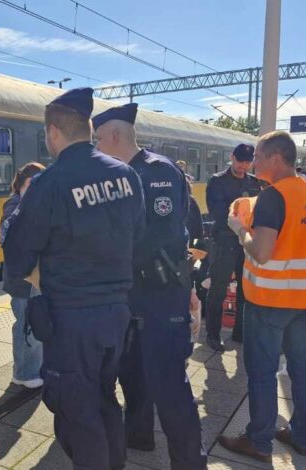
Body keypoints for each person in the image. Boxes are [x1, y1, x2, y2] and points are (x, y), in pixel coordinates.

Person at [3, 88, 144, 470]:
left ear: (53, 132)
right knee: (104, 399)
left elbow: (16, 257)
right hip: (116, 312)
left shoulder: (50, 183)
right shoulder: (127, 175)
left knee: (76, 412)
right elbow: (138, 238)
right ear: (87, 128)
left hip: (71, 317)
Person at [94, 103, 207, 469]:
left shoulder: (156, 171)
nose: (95, 147)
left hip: (160, 294)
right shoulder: (120, 173)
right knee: (133, 373)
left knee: (169, 384)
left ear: (114, 135)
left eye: (97, 140)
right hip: (130, 293)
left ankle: (189, 462)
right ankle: (138, 434)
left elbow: (157, 234)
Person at [219, 131, 306, 463]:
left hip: (269, 299)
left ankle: (259, 440)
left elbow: (261, 252)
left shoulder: (273, 197)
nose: (255, 163)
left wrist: (239, 228)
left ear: (277, 158)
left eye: (260, 157)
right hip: (302, 298)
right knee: (301, 367)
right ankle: (302, 435)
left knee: (262, 371)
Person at [204, 143, 264, 351]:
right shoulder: (217, 181)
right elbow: (217, 213)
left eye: (248, 163)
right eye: (240, 162)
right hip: (225, 241)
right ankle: (212, 333)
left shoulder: (255, 183)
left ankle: (241, 331)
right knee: (219, 288)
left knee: (245, 289)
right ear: (232, 157)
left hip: (245, 243)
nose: (243, 167)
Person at [1, 162, 46, 389]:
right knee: (26, 324)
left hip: (34, 278)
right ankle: (24, 373)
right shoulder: (14, 204)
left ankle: (35, 368)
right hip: (23, 278)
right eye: (32, 184)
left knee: (35, 322)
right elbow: (12, 231)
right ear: (20, 185)